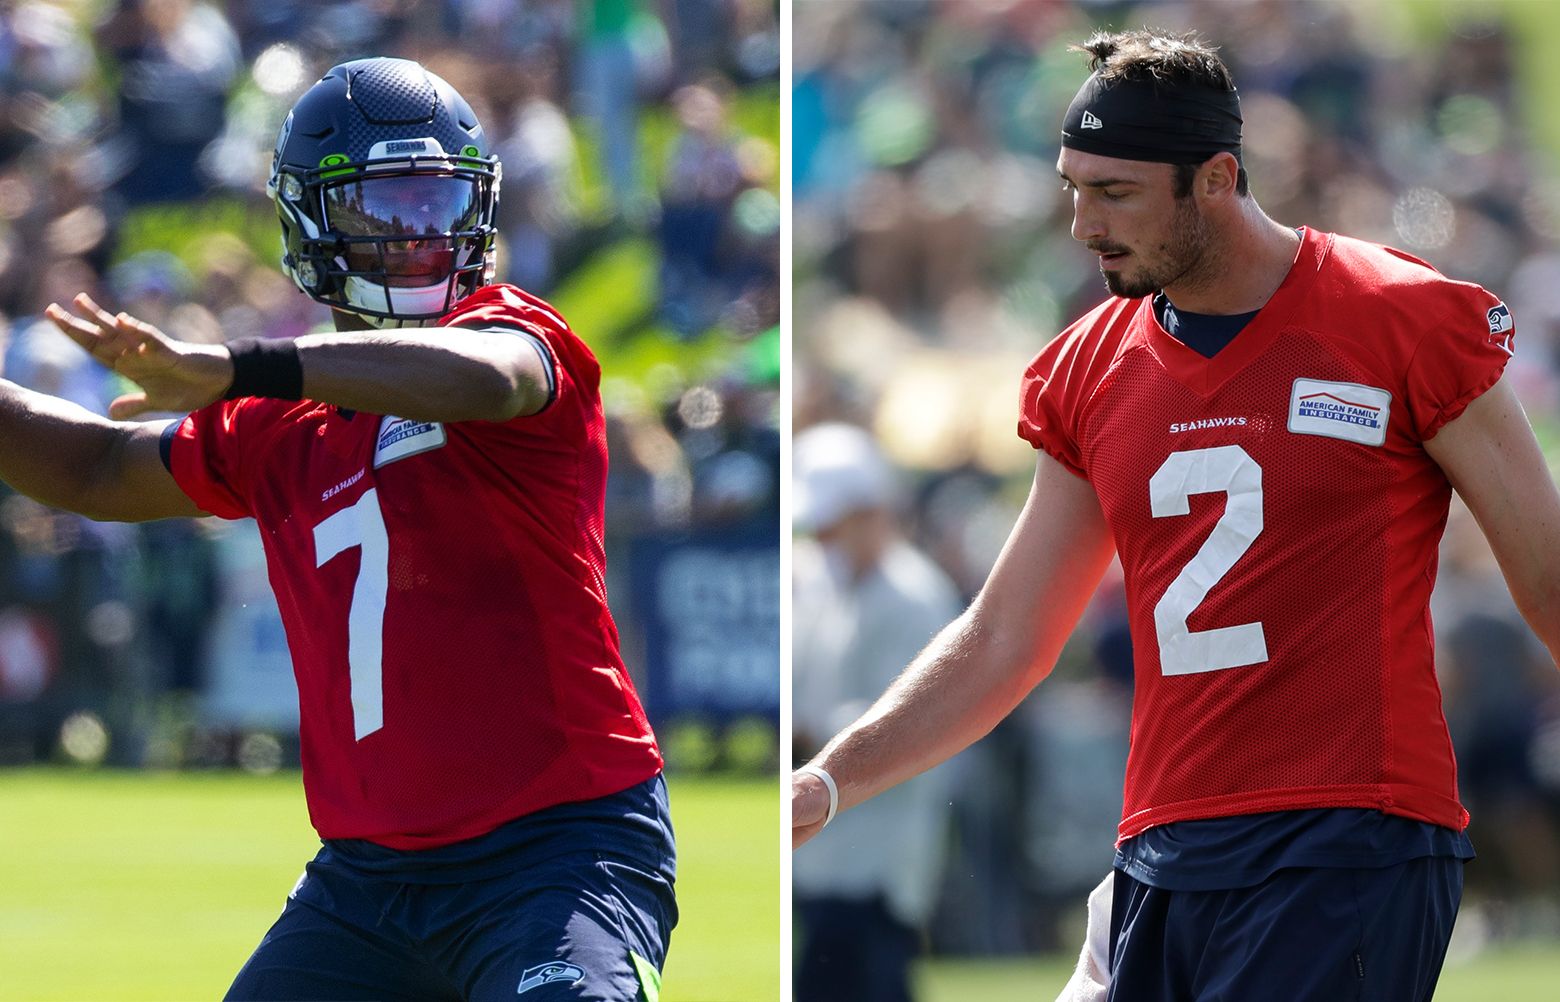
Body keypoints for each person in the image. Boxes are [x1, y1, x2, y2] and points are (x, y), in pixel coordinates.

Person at [791, 28, 1560, 1002]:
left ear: (1217, 179)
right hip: (1162, 843)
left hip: (1347, 837)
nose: (1082, 224)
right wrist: (829, 779)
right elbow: (1004, 637)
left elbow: (1546, 576)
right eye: (1073, 187)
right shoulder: (1087, 367)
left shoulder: (1404, 320)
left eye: (1114, 192)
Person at [29, 57, 675, 1001]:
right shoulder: (274, 427)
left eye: (440, 203)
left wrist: (241, 364)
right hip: (369, 878)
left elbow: (489, 379)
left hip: (558, 846)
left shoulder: (508, 332)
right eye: (388, 206)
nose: (421, 234)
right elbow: (92, 467)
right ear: (313, 226)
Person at [791, 423, 960, 1002]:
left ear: (870, 513)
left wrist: (810, 731)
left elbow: (914, 718)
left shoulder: (917, 597)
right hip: (824, 847)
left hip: (881, 852)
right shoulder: (822, 588)